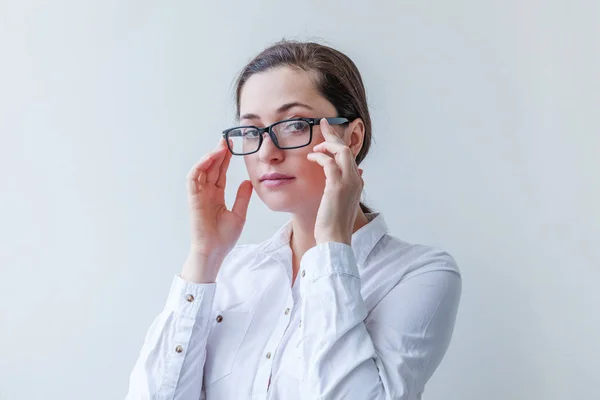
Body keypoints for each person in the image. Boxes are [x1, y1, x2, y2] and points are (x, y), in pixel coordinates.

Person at [125, 40, 462, 400]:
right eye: (252, 130)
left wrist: (332, 243)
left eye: (294, 125)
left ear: (352, 137)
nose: (267, 153)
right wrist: (204, 256)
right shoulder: (231, 272)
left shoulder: (418, 274)